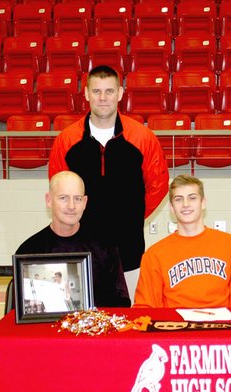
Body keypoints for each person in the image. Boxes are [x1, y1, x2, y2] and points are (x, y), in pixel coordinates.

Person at [48, 65, 169, 299]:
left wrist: (132, 216)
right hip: (80, 250)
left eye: (109, 91)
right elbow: (58, 189)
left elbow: (158, 185)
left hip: (129, 250)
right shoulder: (67, 140)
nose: (102, 98)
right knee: (83, 321)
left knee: (131, 321)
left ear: (120, 93)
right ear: (86, 94)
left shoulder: (143, 138)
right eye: (96, 91)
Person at [133, 175, 231, 309]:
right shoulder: (154, 254)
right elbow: (145, 306)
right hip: (176, 327)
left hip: (221, 327)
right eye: (178, 199)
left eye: (192, 198)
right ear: (171, 207)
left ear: (203, 203)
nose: (185, 204)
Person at [16, 171, 130, 307]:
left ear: (85, 203)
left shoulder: (106, 246)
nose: (71, 206)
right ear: (49, 200)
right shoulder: (28, 250)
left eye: (77, 199)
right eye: (63, 198)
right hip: (46, 327)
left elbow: (121, 302)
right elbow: (20, 309)